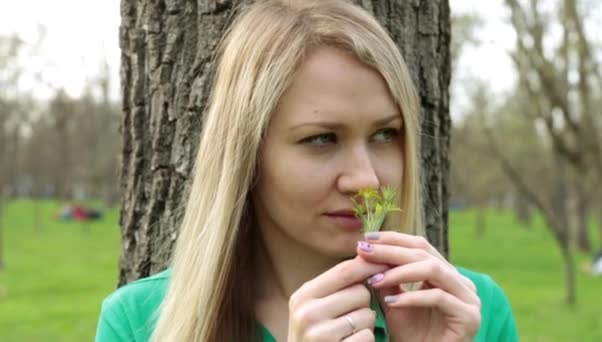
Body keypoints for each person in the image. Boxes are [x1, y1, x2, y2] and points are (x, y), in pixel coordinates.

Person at [95, 0, 518, 341]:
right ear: (247, 154)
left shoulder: (467, 313)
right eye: (321, 139)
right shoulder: (140, 324)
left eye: (386, 134)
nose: (366, 179)